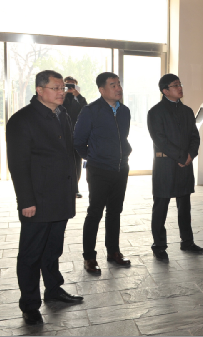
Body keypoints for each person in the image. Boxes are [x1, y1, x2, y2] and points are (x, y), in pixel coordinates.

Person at [7, 70, 84, 326]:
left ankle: (53, 289)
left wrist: (73, 187)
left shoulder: (62, 114)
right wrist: (26, 201)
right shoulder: (22, 119)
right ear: (40, 90)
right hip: (37, 201)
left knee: (53, 249)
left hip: (61, 196)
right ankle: (29, 304)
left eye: (63, 88)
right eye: (56, 88)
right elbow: (18, 165)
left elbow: (69, 154)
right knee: (30, 255)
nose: (62, 92)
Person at [74, 72, 132, 274]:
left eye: (119, 84)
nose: (118, 88)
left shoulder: (124, 111)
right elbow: (78, 141)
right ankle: (89, 257)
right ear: (101, 89)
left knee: (115, 211)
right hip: (99, 170)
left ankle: (113, 252)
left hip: (121, 168)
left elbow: (122, 138)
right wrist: (94, 157)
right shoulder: (90, 111)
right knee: (95, 212)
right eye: (113, 85)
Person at [147, 74, 203, 261]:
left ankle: (187, 241)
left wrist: (190, 155)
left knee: (184, 207)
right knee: (161, 207)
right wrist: (181, 157)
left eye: (180, 84)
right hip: (165, 165)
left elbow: (194, 136)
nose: (180, 88)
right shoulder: (155, 112)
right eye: (175, 85)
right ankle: (159, 246)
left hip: (184, 164)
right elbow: (160, 140)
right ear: (165, 90)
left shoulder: (187, 111)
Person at [63, 76, 88, 198]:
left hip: (77, 136)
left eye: (72, 85)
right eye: (67, 85)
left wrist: (78, 95)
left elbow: (86, 109)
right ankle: (64, 188)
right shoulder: (60, 98)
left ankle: (74, 189)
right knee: (64, 163)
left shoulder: (79, 100)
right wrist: (64, 93)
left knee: (77, 164)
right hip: (63, 136)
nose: (70, 87)